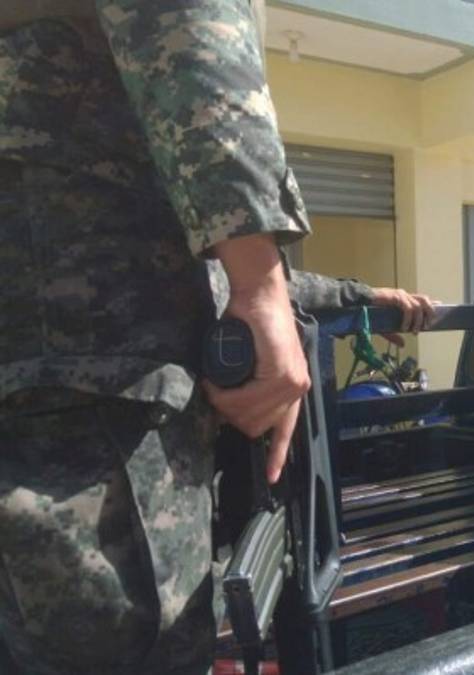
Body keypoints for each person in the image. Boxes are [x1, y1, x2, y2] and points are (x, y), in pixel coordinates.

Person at [0, 2, 429, 673]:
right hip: (91, 390)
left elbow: (211, 274)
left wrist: (348, 296)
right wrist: (258, 279)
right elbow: (185, 22)